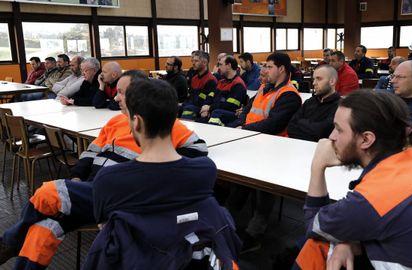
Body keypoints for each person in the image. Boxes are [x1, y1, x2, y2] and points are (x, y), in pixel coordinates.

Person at [0, 70, 208, 269]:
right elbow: (92, 151)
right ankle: (13, 248)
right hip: (92, 190)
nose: (116, 98)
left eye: (121, 93)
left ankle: (9, 242)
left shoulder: (162, 124)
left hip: (119, 196)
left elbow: (198, 150)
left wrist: (146, 170)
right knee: (43, 228)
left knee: (50, 192)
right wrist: (77, 176)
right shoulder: (116, 120)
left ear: (140, 96)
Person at [294, 89, 412, 270]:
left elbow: (314, 226)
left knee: (315, 246)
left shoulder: (372, 199)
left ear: (366, 139)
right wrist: (347, 239)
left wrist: (317, 166)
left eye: (338, 129)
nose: (331, 137)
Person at [83, 79, 241, 269]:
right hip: (192, 255)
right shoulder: (205, 170)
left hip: (135, 258)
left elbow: (104, 226)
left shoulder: (108, 180)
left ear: (137, 122)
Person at [227, 52, 301, 253]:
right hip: (250, 146)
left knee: (263, 197)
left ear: (281, 69)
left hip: (274, 153)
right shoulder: (262, 88)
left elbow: (273, 124)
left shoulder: (289, 95)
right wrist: (241, 126)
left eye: (268, 66)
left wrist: (243, 130)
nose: (263, 70)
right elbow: (246, 111)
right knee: (238, 189)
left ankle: (253, 235)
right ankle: (225, 226)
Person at [287, 65, 340, 142]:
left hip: (321, 151)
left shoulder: (341, 107)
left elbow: (321, 132)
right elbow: (291, 127)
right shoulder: (309, 102)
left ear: (332, 81)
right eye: (314, 79)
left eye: (319, 79)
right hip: (298, 147)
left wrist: (301, 122)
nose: (314, 83)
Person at [200, 55, 246, 126]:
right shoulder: (221, 82)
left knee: (216, 113)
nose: (218, 67)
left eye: (221, 64)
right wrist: (205, 106)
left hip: (230, 114)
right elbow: (211, 96)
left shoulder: (238, 84)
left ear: (228, 66)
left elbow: (231, 106)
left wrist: (210, 108)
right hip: (215, 111)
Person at [180, 51, 217, 120]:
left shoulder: (211, 80)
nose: (193, 63)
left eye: (196, 61)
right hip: (191, 105)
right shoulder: (194, 78)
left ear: (205, 63)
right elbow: (190, 96)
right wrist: (184, 104)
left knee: (188, 109)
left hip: (201, 108)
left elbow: (208, 100)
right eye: (193, 61)